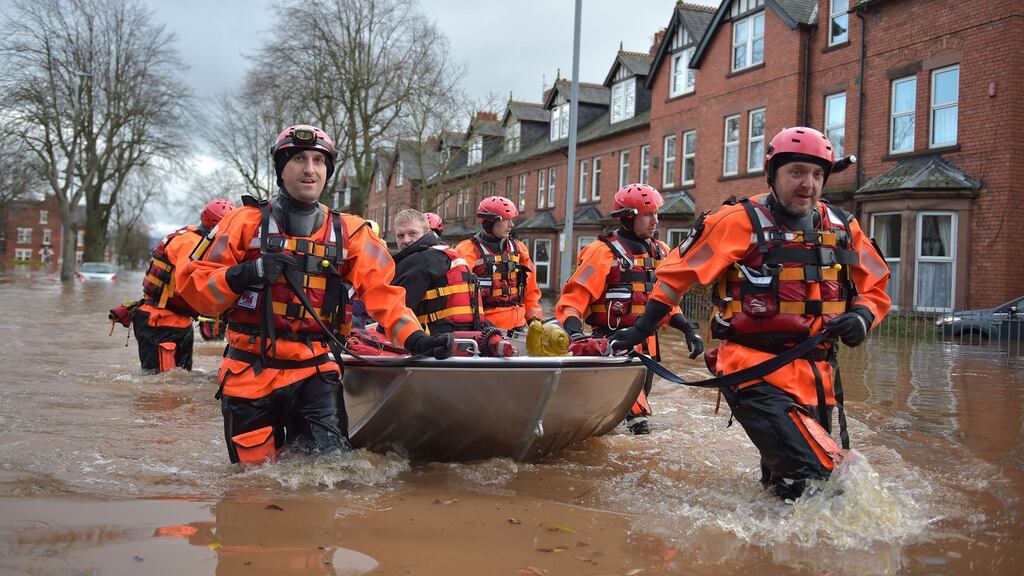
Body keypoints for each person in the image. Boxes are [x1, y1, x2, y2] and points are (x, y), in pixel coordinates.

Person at [610, 127, 891, 498]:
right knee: (816, 481)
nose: (808, 184)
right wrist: (641, 329)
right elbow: (675, 277)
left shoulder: (843, 227)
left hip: (817, 375)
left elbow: (875, 285)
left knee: (784, 485)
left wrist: (862, 316)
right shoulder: (736, 221)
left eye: (817, 174)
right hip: (753, 372)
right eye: (796, 173)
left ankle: (769, 548)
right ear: (773, 174)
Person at [178, 124, 452, 467]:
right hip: (248, 371)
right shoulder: (243, 223)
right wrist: (247, 272)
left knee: (326, 476)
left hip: (315, 372)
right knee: (251, 487)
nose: (310, 169)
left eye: (318, 161)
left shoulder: (352, 232)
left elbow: (385, 295)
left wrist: (415, 340)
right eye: (299, 159)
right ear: (281, 169)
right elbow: (194, 289)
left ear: (328, 171)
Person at [555, 183, 704, 435]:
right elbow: (573, 300)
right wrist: (575, 334)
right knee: (638, 424)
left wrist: (688, 329)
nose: (655, 220)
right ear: (627, 217)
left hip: (648, 350)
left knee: (629, 416)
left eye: (657, 213)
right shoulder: (601, 253)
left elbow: (667, 303)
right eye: (647, 214)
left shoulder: (661, 252)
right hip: (613, 347)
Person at [132, 198, 235, 372]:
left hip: (180, 321)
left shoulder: (199, 240)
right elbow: (189, 282)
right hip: (160, 321)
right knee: (160, 389)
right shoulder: (189, 242)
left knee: (181, 383)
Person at [454, 196, 543, 333]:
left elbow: (531, 290)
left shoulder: (519, 249)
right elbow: (458, 295)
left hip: (518, 327)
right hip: (486, 330)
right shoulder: (467, 250)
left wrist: (535, 322)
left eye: (511, 219)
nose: (511, 225)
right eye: (505, 219)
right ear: (489, 223)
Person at [392, 208, 484, 334]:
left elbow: (394, 312)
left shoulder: (418, 261)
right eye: (400, 236)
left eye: (412, 233)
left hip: (435, 339)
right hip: (469, 333)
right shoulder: (448, 253)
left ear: (427, 232)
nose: (406, 240)